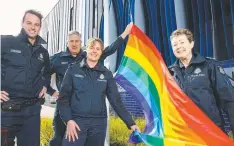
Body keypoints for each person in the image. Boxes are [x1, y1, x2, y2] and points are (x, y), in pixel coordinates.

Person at [48, 23, 134, 146]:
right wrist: (50, 91)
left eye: (77, 41)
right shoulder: (58, 59)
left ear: (81, 43)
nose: (74, 44)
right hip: (68, 108)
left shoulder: (91, 60)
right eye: (71, 41)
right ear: (67, 42)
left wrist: (125, 34)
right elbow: (42, 73)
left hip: (95, 118)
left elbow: (110, 49)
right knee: (58, 139)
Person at [168, 28, 234, 136]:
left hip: (211, 130)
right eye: (175, 44)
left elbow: (227, 98)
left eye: (182, 42)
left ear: (191, 44)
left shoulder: (208, 65)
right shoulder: (170, 73)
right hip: (185, 134)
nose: (178, 46)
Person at [1, 10, 51, 146]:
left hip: (32, 113)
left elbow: (47, 72)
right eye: (29, 23)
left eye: (36, 24)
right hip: (7, 111)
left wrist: (45, 85)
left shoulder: (43, 52)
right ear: (22, 23)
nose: (32, 27)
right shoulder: (6, 42)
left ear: (40, 27)